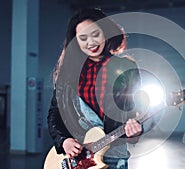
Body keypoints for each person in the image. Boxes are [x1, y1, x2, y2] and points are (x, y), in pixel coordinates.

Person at [47, 8, 148, 169]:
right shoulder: (68, 71)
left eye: (95, 34)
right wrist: (64, 141)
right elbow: (55, 113)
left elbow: (137, 109)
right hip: (77, 156)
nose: (91, 42)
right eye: (83, 38)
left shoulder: (126, 67)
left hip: (114, 154)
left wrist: (136, 129)